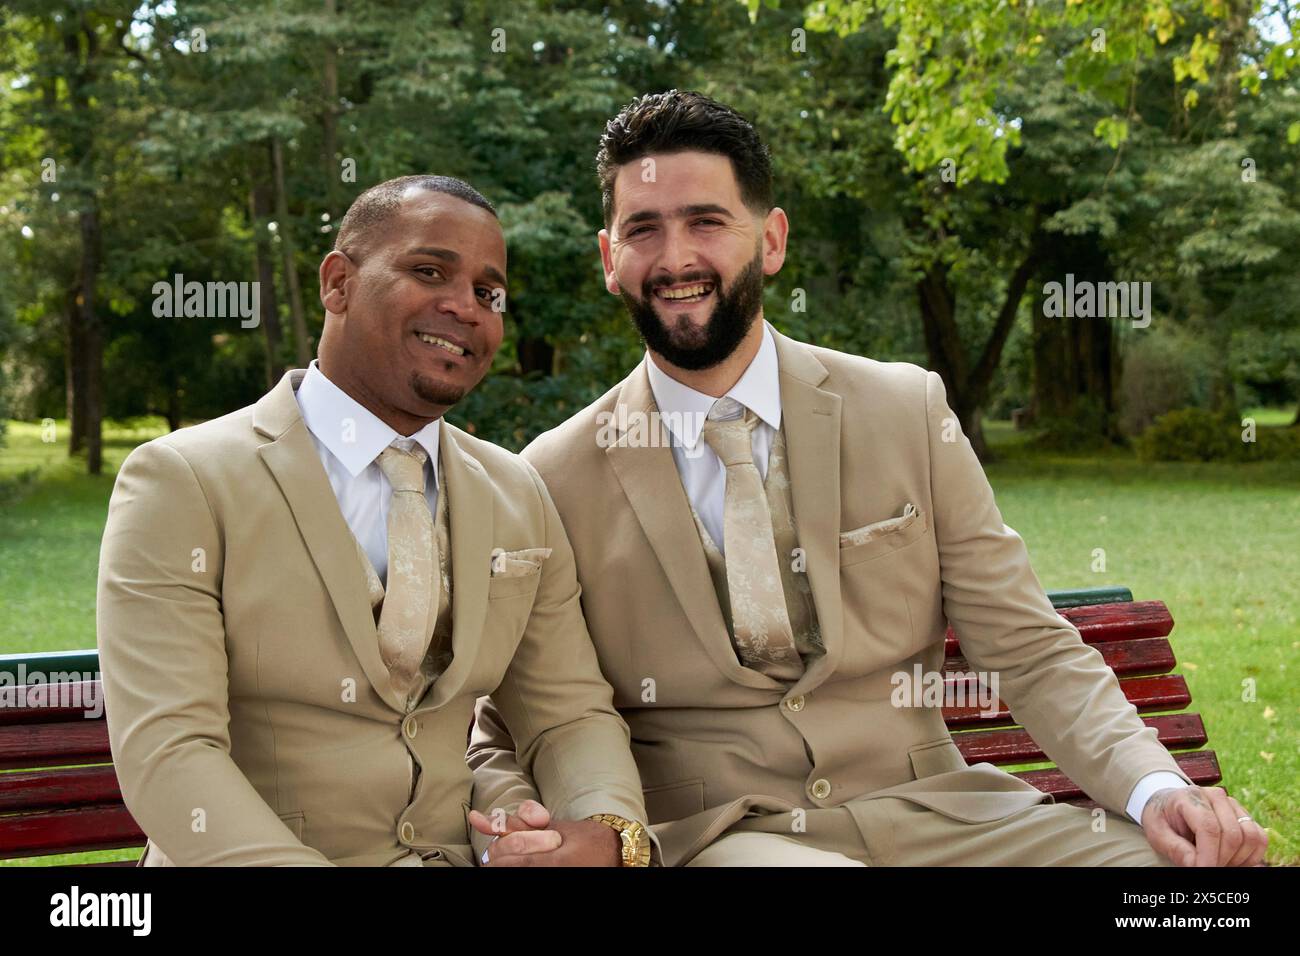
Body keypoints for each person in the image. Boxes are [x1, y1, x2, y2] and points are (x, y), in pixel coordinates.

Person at [467, 92, 1268, 867]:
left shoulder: (905, 409)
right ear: (611, 260)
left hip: (946, 818)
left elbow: (1026, 647)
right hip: (723, 836)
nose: (676, 257)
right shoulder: (551, 477)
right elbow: (511, 722)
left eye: (706, 222)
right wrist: (554, 832)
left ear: (771, 240)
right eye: (644, 229)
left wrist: (1156, 790)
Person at [97, 175, 651, 867]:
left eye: (488, 293)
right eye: (428, 271)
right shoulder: (182, 483)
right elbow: (170, 753)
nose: (466, 307)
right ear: (338, 283)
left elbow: (568, 715)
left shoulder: (518, 494)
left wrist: (607, 832)